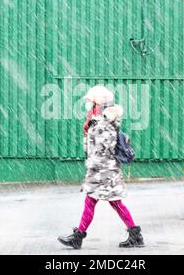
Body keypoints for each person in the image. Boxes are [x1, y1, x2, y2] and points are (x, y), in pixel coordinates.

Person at [58, 86, 144, 249]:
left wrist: (91, 166)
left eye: (90, 103)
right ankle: (135, 235)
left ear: (98, 105)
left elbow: (100, 151)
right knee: (110, 203)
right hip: (103, 172)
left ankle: (79, 237)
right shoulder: (97, 123)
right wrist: (87, 131)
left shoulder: (102, 125)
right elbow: (90, 149)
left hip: (103, 173)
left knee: (100, 202)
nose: (87, 107)